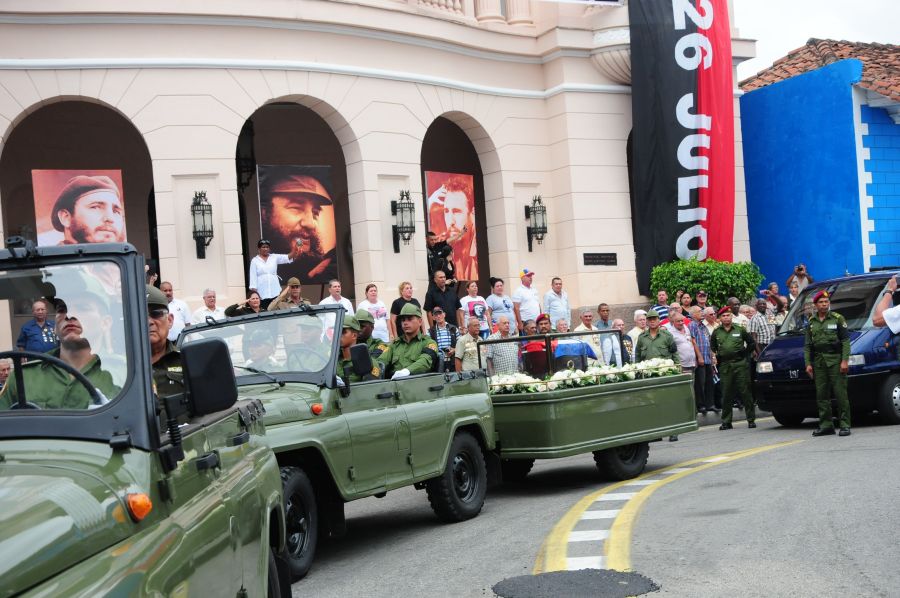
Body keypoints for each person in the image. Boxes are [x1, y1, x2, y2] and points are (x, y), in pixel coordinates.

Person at [3, 285, 121, 409]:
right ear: (55, 327)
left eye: (83, 308)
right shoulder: (23, 377)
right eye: (62, 310)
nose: (69, 315)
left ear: (105, 323)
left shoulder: (124, 374)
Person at [261, 173, 336, 282]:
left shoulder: (322, 271)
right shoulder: (259, 265)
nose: (310, 224)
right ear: (265, 213)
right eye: (296, 208)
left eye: (315, 212)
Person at [805, 290, 851, 437]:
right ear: (816, 305)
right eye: (821, 302)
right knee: (821, 396)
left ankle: (845, 425)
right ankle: (826, 425)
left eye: (826, 302)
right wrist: (808, 364)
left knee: (840, 394)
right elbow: (807, 346)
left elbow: (845, 342)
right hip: (819, 363)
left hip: (835, 361)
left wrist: (844, 361)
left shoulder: (837, 319)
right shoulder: (811, 322)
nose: (824, 304)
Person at [710, 306, 757, 430]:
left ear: (731, 317)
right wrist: (716, 357)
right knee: (726, 393)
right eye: (723, 316)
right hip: (725, 365)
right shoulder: (716, 332)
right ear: (720, 318)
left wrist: (745, 353)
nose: (726, 318)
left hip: (740, 364)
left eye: (728, 315)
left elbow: (751, 343)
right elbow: (713, 347)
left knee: (745, 391)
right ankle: (726, 421)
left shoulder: (740, 329)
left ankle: (751, 419)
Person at [51, 175, 126, 245]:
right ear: (66, 218)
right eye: (95, 207)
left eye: (116, 211)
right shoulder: (50, 259)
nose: (110, 218)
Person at [429, 176, 478, 281]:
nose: (450, 221)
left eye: (456, 211)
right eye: (446, 211)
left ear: (472, 214)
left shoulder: (476, 256)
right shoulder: (441, 248)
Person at [379, 303, 439, 379]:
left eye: (410, 319)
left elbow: (425, 361)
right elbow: (381, 362)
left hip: (417, 384)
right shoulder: (395, 345)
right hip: (394, 384)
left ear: (420, 321)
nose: (405, 323)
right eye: (403, 320)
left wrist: (407, 371)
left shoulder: (429, 343)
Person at [147, 285, 184, 403]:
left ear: (170, 320)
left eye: (156, 313)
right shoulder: (120, 367)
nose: (148, 322)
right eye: (140, 316)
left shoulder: (186, 361)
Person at [248, 238, 301, 309]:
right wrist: (255, 296)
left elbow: (289, 256)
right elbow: (253, 279)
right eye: (263, 247)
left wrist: (295, 248)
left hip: (275, 293)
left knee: (276, 313)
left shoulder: (274, 257)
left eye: (267, 247)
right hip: (262, 294)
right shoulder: (255, 261)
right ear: (259, 249)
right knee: (265, 314)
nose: (266, 249)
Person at [688, 306, 717, 415]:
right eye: (699, 311)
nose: (702, 313)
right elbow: (693, 341)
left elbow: (708, 342)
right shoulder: (692, 325)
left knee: (710, 382)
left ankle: (710, 404)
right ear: (693, 314)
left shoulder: (703, 326)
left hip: (707, 358)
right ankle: (701, 405)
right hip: (700, 359)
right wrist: (699, 356)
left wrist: (712, 356)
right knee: (700, 383)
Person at [336, 315, 368, 383]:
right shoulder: (333, 360)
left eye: (343, 332)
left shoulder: (365, 362)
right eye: (337, 331)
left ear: (354, 336)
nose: (338, 335)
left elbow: (369, 390)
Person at [428, 307, 458, 372]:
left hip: (453, 360)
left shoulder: (454, 328)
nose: (438, 316)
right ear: (433, 317)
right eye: (436, 315)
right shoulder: (430, 331)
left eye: (440, 313)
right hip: (438, 362)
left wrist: (454, 349)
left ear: (444, 314)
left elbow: (461, 344)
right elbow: (428, 347)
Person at [512, 268, 541, 334]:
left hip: (536, 321)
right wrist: (519, 323)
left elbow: (538, 305)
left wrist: (540, 318)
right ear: (522, 278)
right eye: (528, 276)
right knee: (526, 342)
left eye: (531, 276)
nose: (530, 278)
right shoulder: (518, 291)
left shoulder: (534, 289)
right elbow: (516, 308)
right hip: (525, 322)